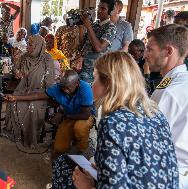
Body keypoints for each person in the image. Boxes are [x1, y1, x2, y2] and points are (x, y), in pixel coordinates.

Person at [52, 52, 179, 189]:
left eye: (95, 78)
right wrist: (102, 168)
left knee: (63, 168)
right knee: (66, 161)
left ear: (108, 83)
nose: (92, 85)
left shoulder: (114, 123)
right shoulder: (155, 112)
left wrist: (87, 186)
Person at [5, 69, 94, 156]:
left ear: (77, 83)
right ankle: (72, 142)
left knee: (79, 128)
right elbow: (38, 95)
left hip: (83, 118)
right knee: (59, 148)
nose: (65, 90)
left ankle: (81, 150)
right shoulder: (58, 88)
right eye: (63, 87)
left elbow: (85, 115)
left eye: (68, 88)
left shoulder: (85, 88)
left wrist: (62, 115)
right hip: (68, 117)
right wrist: (16, 97)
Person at [146, 24, 188, 189]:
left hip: (167, 173)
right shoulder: (175, 82)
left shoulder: (171, 91)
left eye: (150, 49)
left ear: (168, 51)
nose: (146, 54)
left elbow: (150, 142)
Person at [3, 35, 55, 153]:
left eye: (31, 44)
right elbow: (15, 68)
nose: (27, 46)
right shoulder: (24, 56)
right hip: (24, 89)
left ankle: (30, 137)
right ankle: (16, 133)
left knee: (32, 106)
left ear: (38, 46)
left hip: (41, 92)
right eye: (28, 43)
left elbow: (50, 85)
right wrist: (16, 71)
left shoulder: (47, 59)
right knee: (13, 102)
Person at [79, 0, 117, 83]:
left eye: (103, 8)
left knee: (88, 95)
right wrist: (81, 27)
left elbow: (99, 48)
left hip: (94, 72)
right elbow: (83, 45)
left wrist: (88, 27)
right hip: (82, 68)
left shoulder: (111, 28)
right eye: (99, 7)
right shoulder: (94, 25)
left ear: (110, 12)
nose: (99, 10)